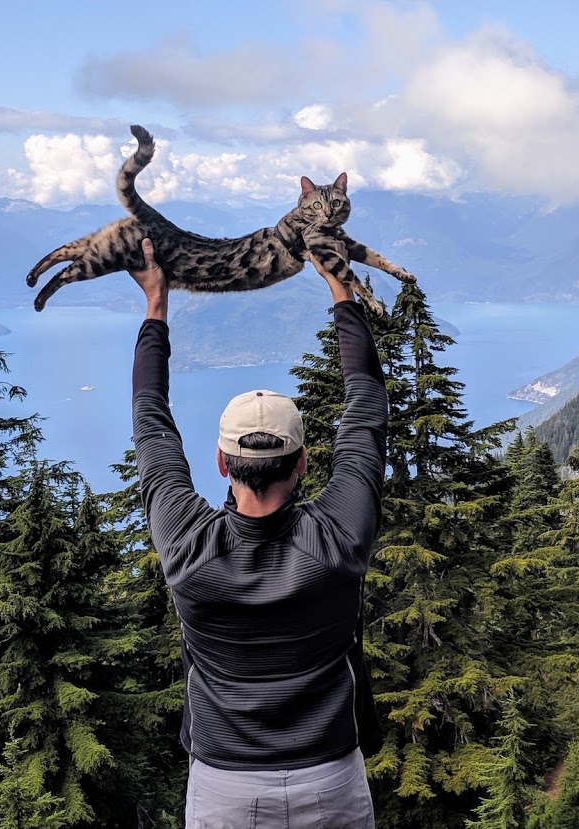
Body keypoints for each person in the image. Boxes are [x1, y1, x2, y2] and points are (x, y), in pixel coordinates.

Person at [130, 238, 387, 828]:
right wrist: (340, 289)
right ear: (301, 463)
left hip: (225, 782)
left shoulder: (189, 548)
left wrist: (155, 306)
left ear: (222, 464)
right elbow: (366, 409)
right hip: (332, 777)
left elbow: (151, 426)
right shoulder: (339, 537)